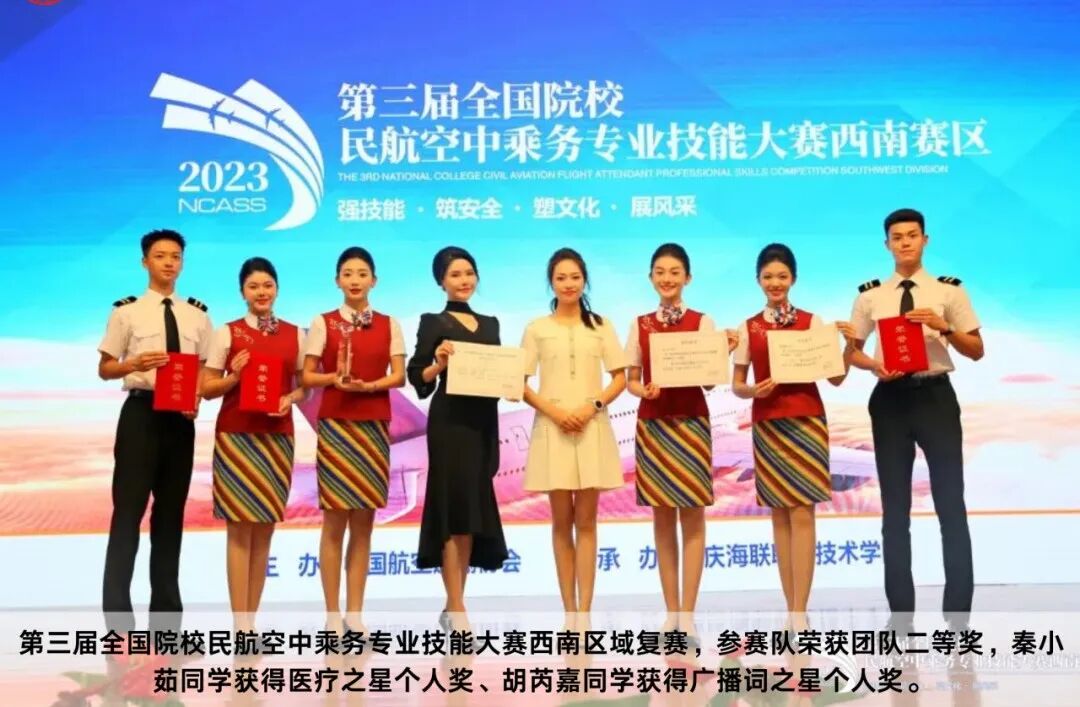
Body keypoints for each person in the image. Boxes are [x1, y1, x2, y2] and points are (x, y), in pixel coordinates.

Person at [847, 208, 983, 618]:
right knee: (895, 510)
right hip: (890, 400)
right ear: (886, 244)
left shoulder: (948, 291)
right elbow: (851, 353)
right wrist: (873, 365)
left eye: (912, 235)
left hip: (935, 397)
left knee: (950, 504)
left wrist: (944, 327)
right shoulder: (870, 296)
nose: (905, 242)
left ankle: (958, 614)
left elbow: (976, 350)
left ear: (925, 240)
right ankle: (901, 613)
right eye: (897, 237)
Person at [97, 228, 213, 633]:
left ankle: (166, 623)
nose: (169, 262)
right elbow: (105, 368)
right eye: (161, 255)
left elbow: (204, 368)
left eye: (176, 256)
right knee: (128, 513)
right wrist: (134, 364)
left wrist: (196, 398)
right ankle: (118, 624)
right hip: (140, 415)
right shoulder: (126, 311)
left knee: (170, 517)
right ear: (145, 261)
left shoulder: (197, 314)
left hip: (180, 422)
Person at [731, 243, 853, 624]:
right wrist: (753, 390)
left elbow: (835, 378)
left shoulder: (813, 323)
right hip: (768, 424)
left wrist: (851, 346)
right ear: (758, 280)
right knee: (780, 517)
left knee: (803, 514)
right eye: (768, 276)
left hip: (806, 423)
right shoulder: (748, 327)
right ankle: (792, 609)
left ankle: (801, 608)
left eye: (782, 276)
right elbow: (737, 384)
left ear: (794, 279)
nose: (775, 283)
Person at [624, 243, 734, 644]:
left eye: (674, 272)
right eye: (660, 272)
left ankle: (688, 613)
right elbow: (632, 379)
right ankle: (670, 612)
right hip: (653, 424)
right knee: (661, 519)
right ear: (650, 277)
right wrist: (643, 390)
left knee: (692, 517)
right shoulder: (640, 324)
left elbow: (709, 382)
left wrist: (722, 353)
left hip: (690, 424)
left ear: (687, 277)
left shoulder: (703, 322)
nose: (667, 278)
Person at [301, 247, 406, 632]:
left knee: (364, 523)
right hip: (335, 427)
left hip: (373, 427)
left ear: (373, 281)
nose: (355, 280)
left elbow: (399, 376)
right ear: (337, 281)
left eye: (362, 273)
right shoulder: (323, 322)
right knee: (334, 522)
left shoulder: (389, 324)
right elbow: (307, 376)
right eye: (348, 273)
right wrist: (334, 379)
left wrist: (371, 386)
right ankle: (332, 615)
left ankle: (356, 615)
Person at [521, 247, 626, 630]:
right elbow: (521, 383)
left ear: (585, 281)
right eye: (561, 278)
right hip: (553, 429)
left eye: (575, 277)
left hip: (591, 426)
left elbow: (620, 378)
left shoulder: (601, 326)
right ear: (551, 282)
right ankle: (569, 610)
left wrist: (591, 405)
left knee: (587, 521)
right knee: (561, 521)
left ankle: (585, 612)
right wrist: (555, 413)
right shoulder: (537, 328)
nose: (568, 284)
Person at [200, 257, 305, 633]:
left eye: (267, 285)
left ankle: (252, 622)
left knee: (264, 530)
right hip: (236, 439)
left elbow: (305, 387)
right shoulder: (227, 333)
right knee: (239, 530)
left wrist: (290, 398)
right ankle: (240, 626)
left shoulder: (296, 334)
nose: (262, 292)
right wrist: (234, 376)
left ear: (277, 289)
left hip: (277, 439)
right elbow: (206, 389)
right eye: (253, 286)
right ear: (242, 292)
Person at [407, 246, 509, 632]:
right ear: (441, 282)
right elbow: (417, 376)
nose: (463, 280)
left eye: (468, 273)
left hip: (482, 423)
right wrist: (439, 363)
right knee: (452, 513)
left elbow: (499, 374)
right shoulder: (433, 321)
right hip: (450, 424)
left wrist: (513, 382)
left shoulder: (491, 324)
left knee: (469, 516)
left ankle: (454, 606)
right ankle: (457, 608)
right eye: (454, 275)